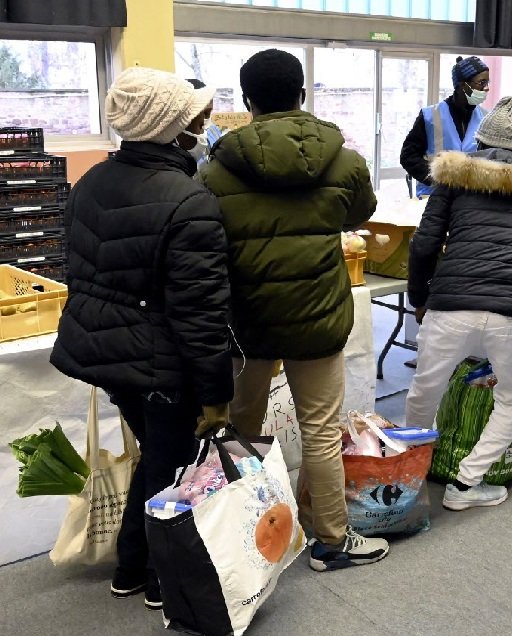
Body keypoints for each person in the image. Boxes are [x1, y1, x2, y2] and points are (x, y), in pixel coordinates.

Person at [50, 67, 232, 610]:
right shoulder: (188, 200)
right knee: (172, 470)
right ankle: (160, 576)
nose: (205, 125)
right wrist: (216, 394)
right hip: (161, 359)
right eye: (197, 117)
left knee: (157, 455)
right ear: (175, 129)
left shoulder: (91, 182)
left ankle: (130, 566)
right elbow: (200, 313)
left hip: (103, 351)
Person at [200, 49, 387, 572]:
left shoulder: (216, 170)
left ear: (247, 101)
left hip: (250, 316)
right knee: (321, 429)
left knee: (241, 428)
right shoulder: (345, 160)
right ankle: (330, 541)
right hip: (319, 312)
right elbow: (359, 211)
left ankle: (245, 537)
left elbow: (208, 235)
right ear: (302, 95)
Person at [404, 97, 512, 510]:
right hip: (511, 312)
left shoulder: (455, 178)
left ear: (480, 137)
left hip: (450, 303)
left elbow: (424, 245)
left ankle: (406, 479)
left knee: (424, 390)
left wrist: (419, 297)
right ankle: (466, 485)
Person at [400, 55, 491, 197]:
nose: (487, 88)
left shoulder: (487, 119)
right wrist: (434, 176)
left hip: (471, 200)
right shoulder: (429, 115)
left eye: (488, 82)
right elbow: (408, 156)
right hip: (433, 196)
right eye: (481, 82)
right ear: (463, 85)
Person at [183, 79, 222, 167]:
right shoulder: (172, 138)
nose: (207, 118)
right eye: (204, 112)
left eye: (210, 111)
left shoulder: (214, 131)